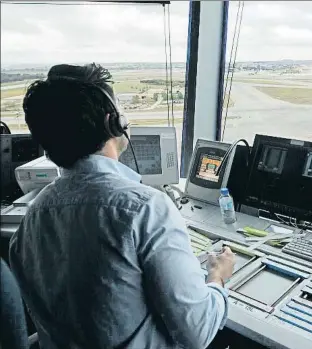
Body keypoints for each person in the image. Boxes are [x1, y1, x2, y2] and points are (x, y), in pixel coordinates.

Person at [9, 63, 236, 349]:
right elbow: (198, 332)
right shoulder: (145, 209)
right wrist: (217, 277)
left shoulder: (31, 220)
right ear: (113, 123)